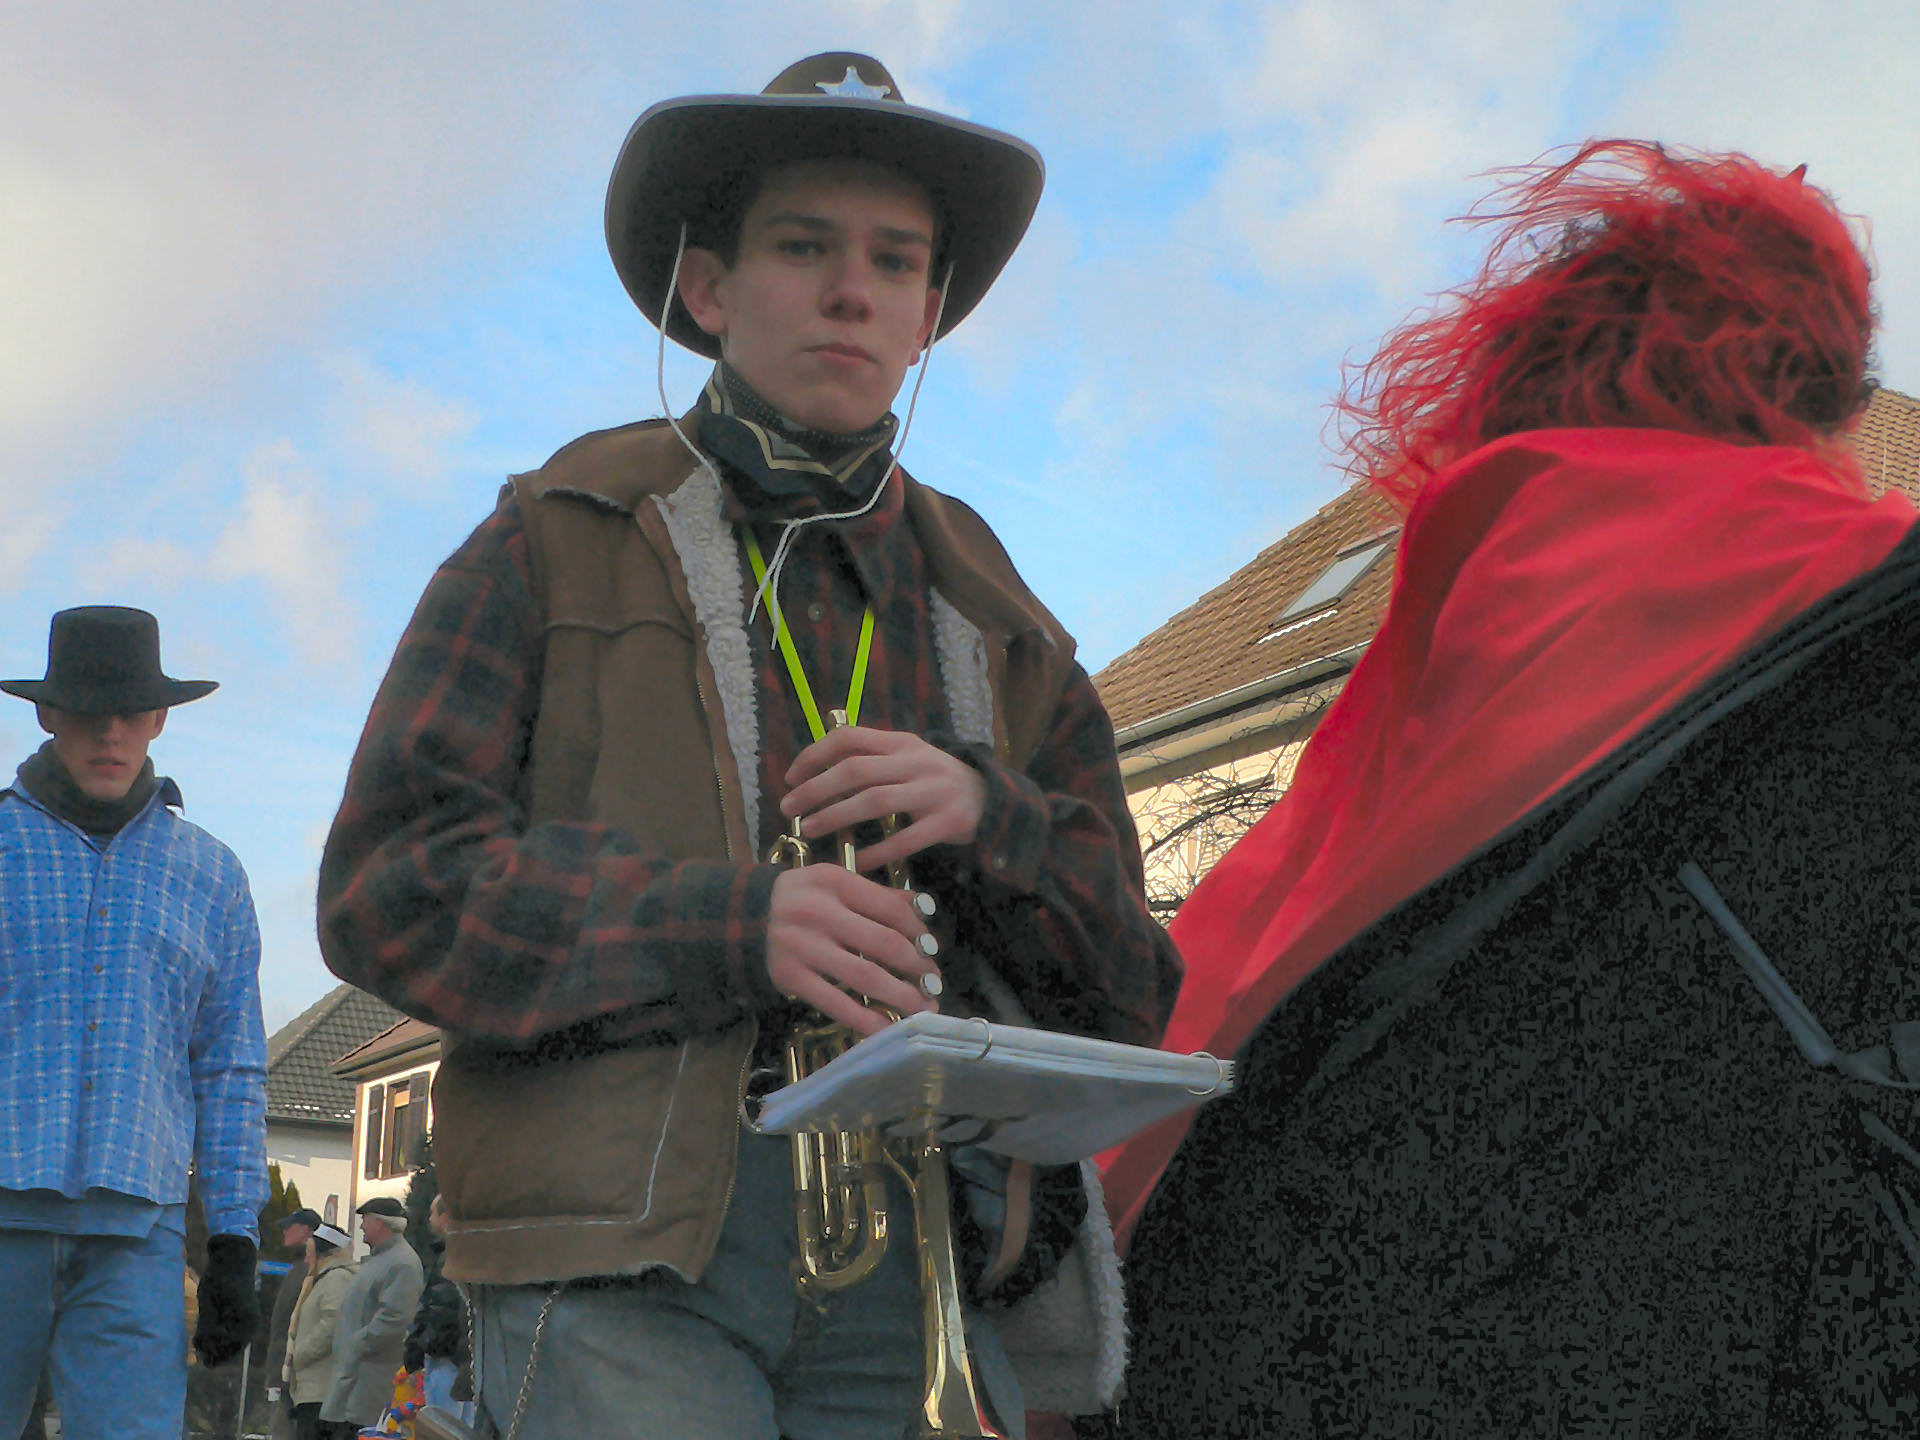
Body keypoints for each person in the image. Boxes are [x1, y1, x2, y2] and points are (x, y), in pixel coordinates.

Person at [318, 49, 1179, 1440]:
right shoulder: (553, 533)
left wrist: (993, 817)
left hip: (925, 1248)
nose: (853, 290)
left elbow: (1137, 989)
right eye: (804, 247)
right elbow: (386, 889)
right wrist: (733, 927)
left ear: (927, 316)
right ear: (710, 291)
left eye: (895, 262)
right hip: (618, 1252)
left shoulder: (1008, 621)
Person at [1108, 141, 1920, 1437]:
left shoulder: (1453, 617)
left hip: (1339, 1321)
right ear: (1809, 389)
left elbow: (1218, 990)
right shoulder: (1859, 599)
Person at [0, 606, 268, 1440]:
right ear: (49, 713)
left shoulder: (213, 877)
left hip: (137, 1239)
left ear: (158, 719)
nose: (109, 732)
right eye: (88, 711)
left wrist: (234, 1239)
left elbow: (229, 1069)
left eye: (130, 712)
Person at [320, 1197, 425, 1438]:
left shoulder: (402, 1263)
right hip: (354, 1377)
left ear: (380, 1223)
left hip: (368, 1383)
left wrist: (356, 1344)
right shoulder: (380, 1260)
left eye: (365, 1220)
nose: (361, 1226)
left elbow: (394, 1319)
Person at [404, 1194, 472, 1423]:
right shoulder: (464, 1253)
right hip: (463, 1360)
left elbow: (441, 1311)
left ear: (444, 1218)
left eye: (433, 1214)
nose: (429, 1219)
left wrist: (419, 1347)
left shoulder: (450, 1257)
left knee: (443, 1426)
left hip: (446, 1359)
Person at [286, 1223, 358, 1440]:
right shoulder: (323, 1279)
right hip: (317, 1389)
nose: (307, 1260)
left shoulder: (337, 1278)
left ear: (324, 1254)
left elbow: (333, 1323)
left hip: (323, 1392)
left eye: (310, 1253)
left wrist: (300, 1355)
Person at [265, 1207, 324, 1438]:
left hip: (296, 1373)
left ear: (307, 1231)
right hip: (287, 1370)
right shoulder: (300, 1269)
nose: (284, 1231)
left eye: (290, 1226)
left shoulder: (311, 1272)